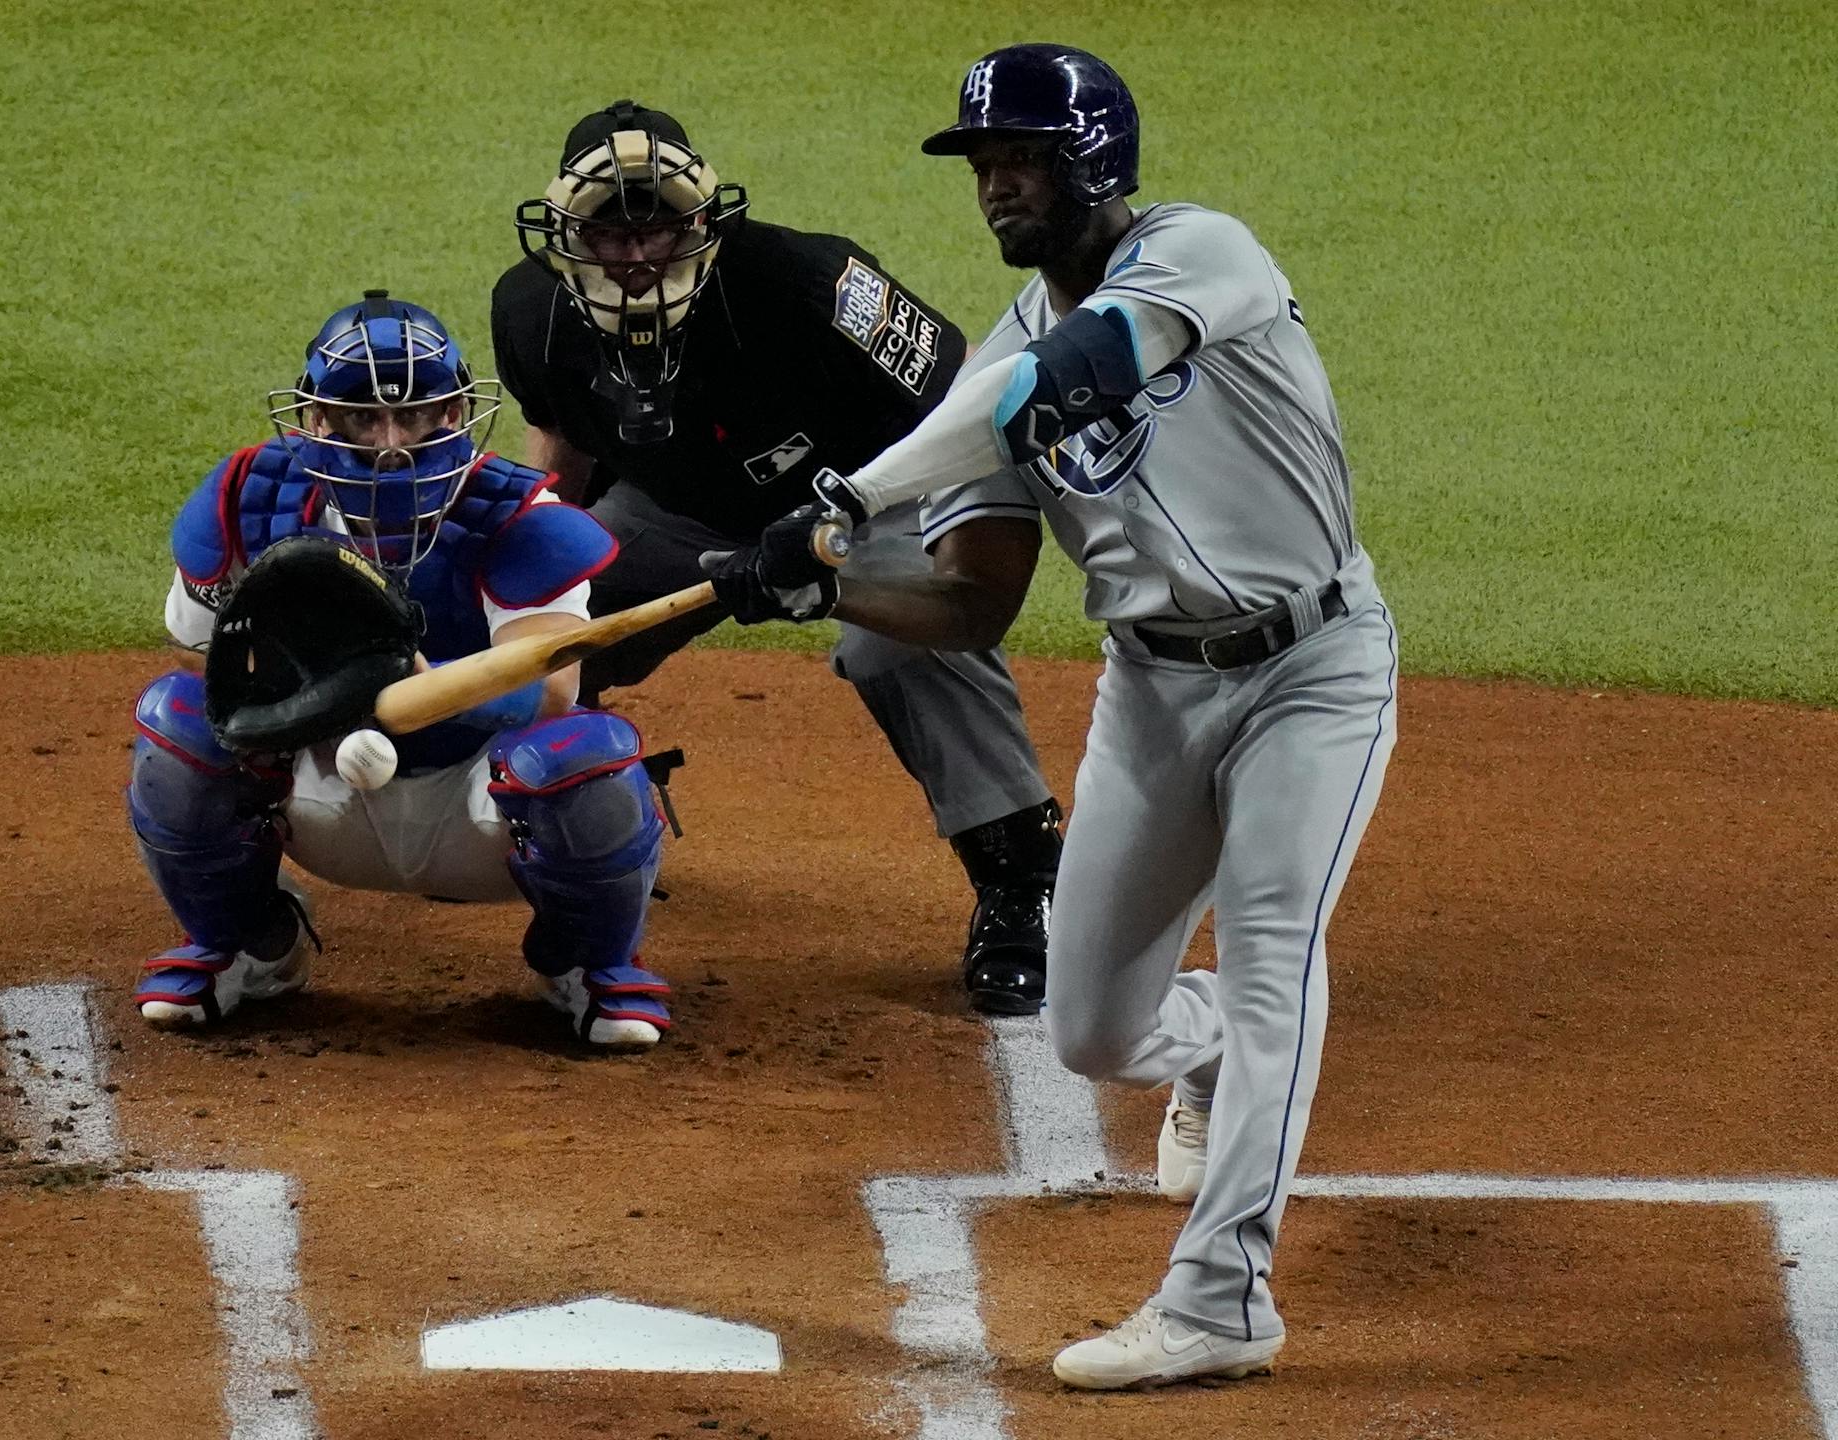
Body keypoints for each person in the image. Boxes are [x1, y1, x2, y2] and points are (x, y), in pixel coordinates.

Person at [703, 44, 1400, 1389]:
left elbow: (1070, 377)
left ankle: (1222, 1301)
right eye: (983, 164)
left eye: (1022, 157)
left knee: (1277, 960)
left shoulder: (1202, 255)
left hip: (1313, 669)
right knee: (1092, 1030)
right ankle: (1212, 1048)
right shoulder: (996, 368)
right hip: (1153, 693)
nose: (997, 185)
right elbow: (971, 602)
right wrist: (821, 580)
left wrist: (846, 502)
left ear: (1097, 161)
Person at [489, 100, 1064, 1016]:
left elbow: (966, 401)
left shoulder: (807, 281)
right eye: (609, 232)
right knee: (536, 627)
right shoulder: (531, 309)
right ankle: (569, 815)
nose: (636, 255)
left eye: (658, 228)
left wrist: (880, 531)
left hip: (869, 499)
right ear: (568, 234)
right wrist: (537, 586)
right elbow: (563, 453)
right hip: (679, 513)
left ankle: (1022, 881)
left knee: (900, 644)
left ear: (702, 222)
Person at [127, 290, 676, 1049]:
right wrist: (309, 686)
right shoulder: (253, 499)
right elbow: (198, 651)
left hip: (476, 806)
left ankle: (585, 963)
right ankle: (248, 948)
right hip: (319, 794)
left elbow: (551, 688)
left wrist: (413, 677)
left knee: (586, 754)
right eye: (363, 416)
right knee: (178, 720)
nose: (391, 443)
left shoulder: (518, 516)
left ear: (453, 412)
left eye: (414, 415)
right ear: (320, 418)